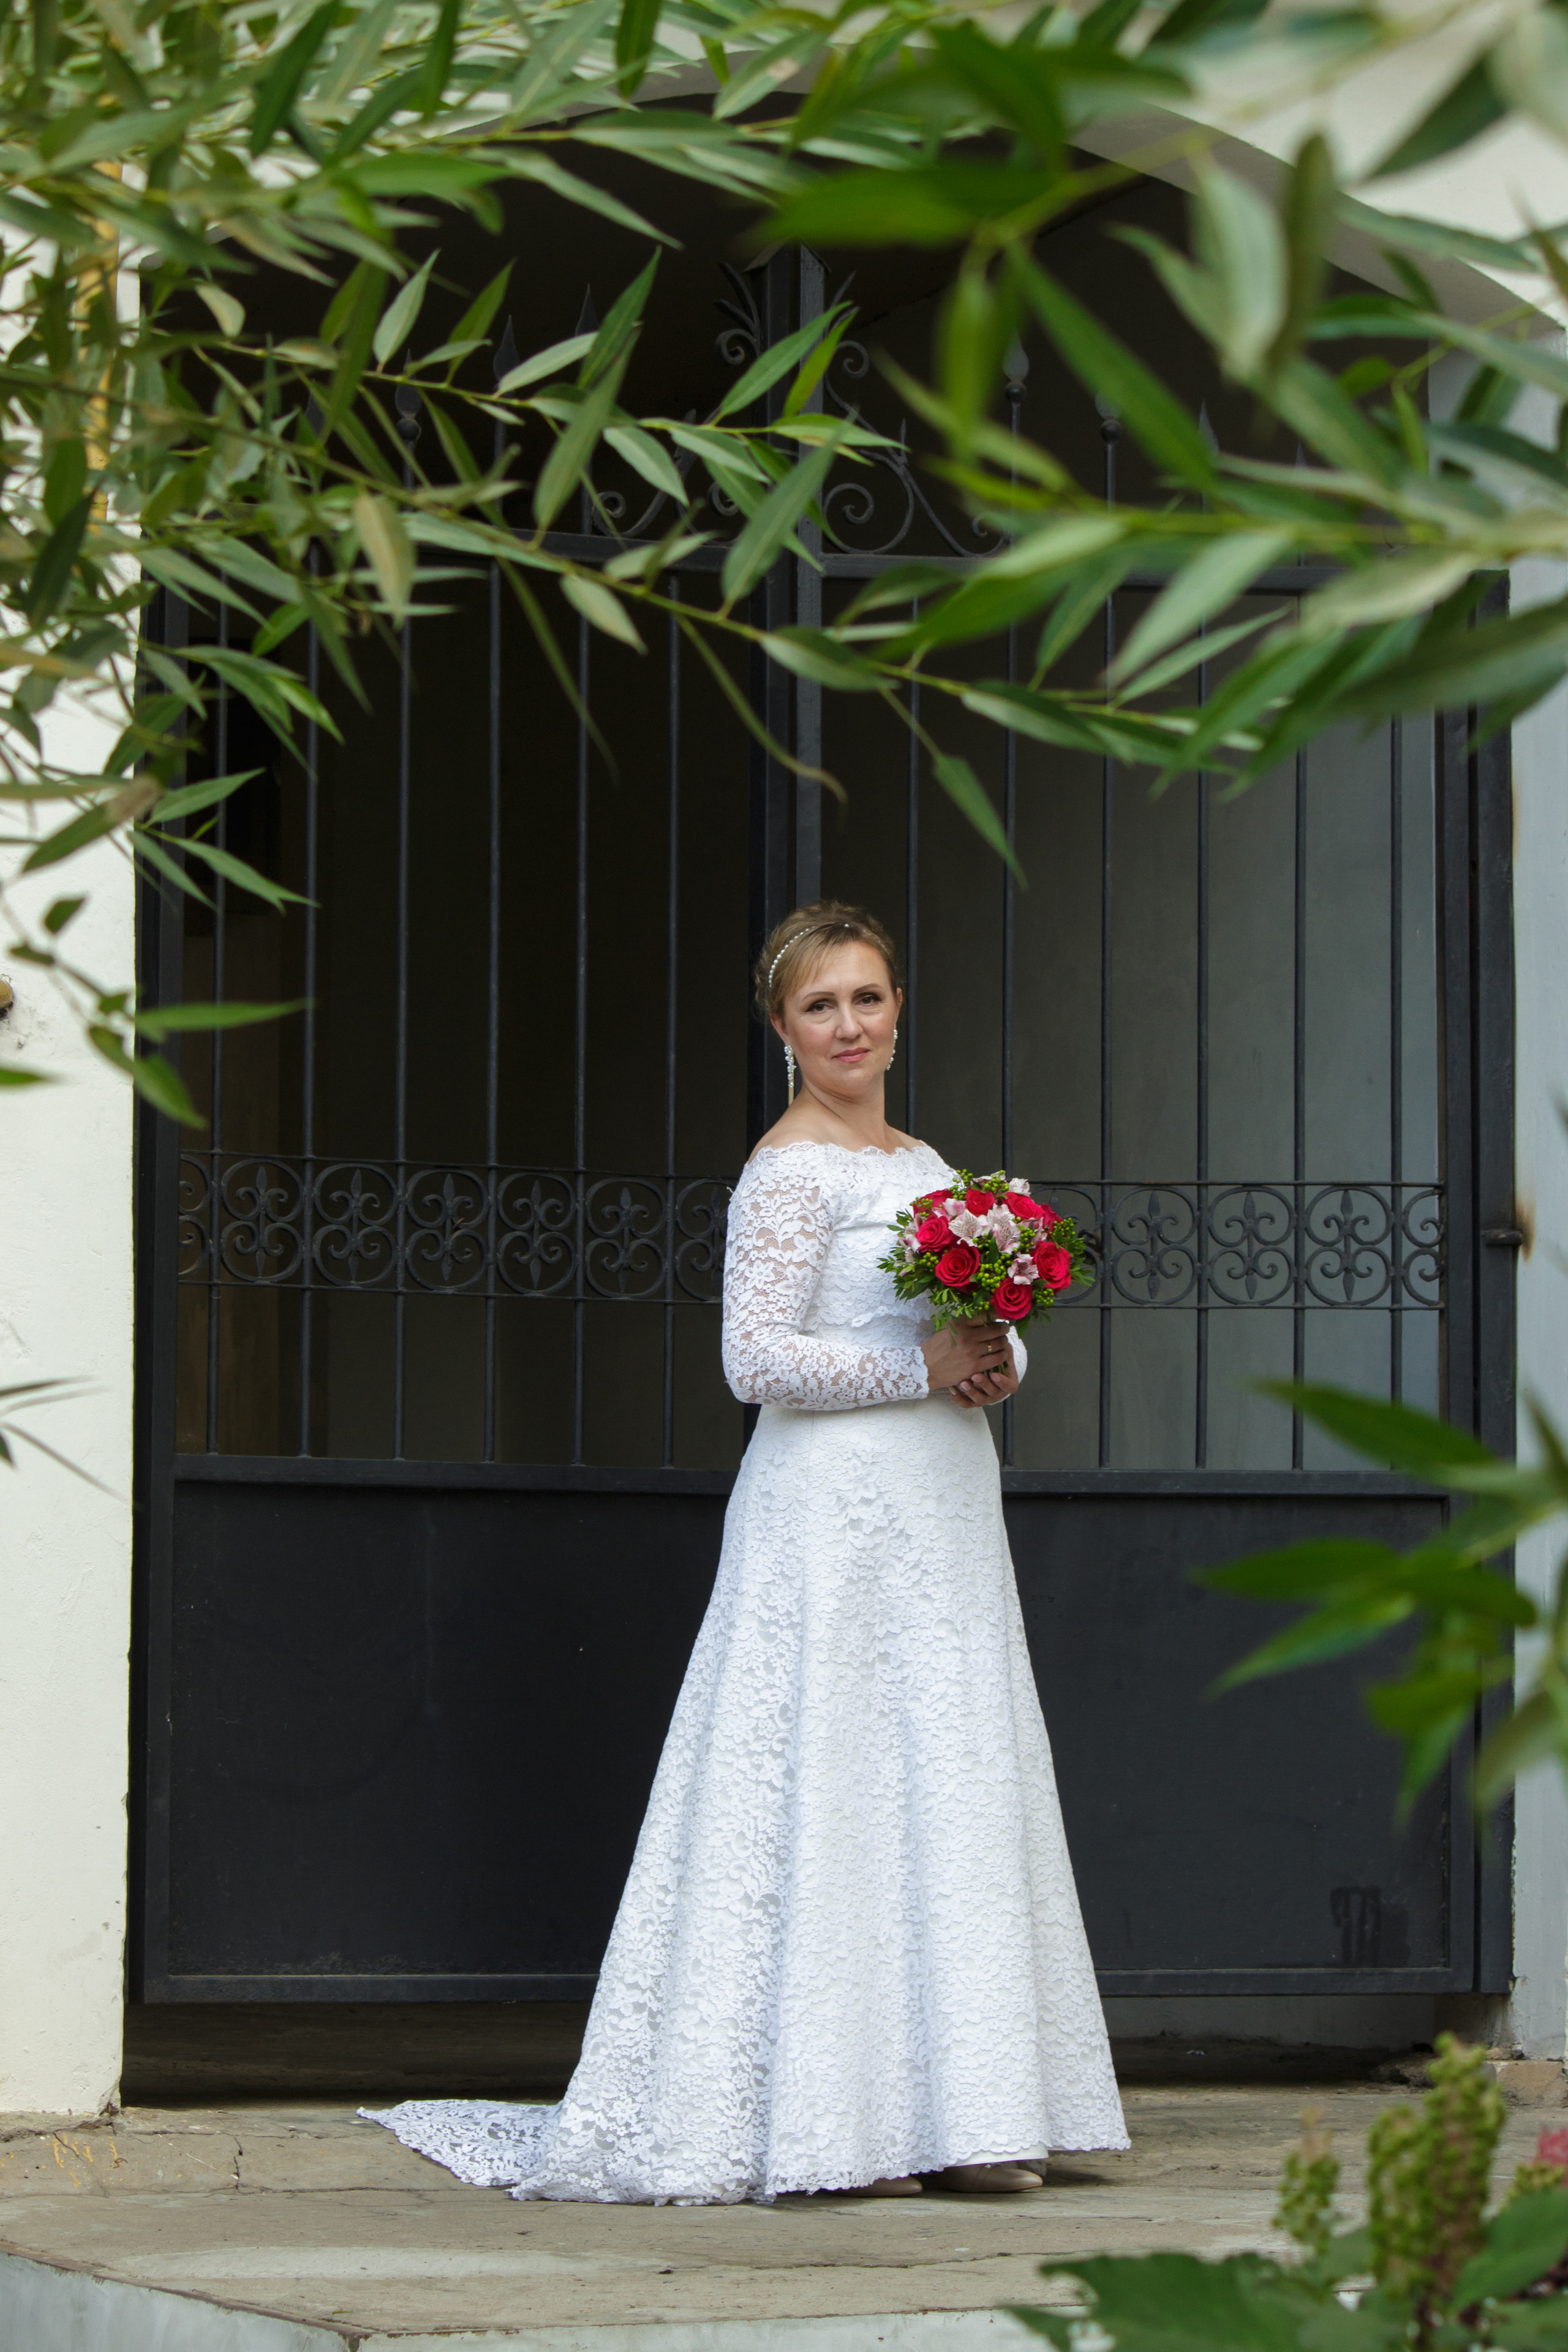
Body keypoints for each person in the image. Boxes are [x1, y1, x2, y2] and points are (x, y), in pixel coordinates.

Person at [367, 902, 1127, 2202]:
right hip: (830, 1516)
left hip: (941, 1511)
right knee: (837, 1781)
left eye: (867, 998)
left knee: (946, 1778)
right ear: (781, 1027)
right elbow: (753, 1359)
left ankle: (966, 2113)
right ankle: (835, 2125)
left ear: (899, 1010)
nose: (849, 1025)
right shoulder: (786, 1171)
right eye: (821, 1005)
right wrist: (921, 1367)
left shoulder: (926, 1162)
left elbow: (965, 1325)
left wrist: (998, 1358)